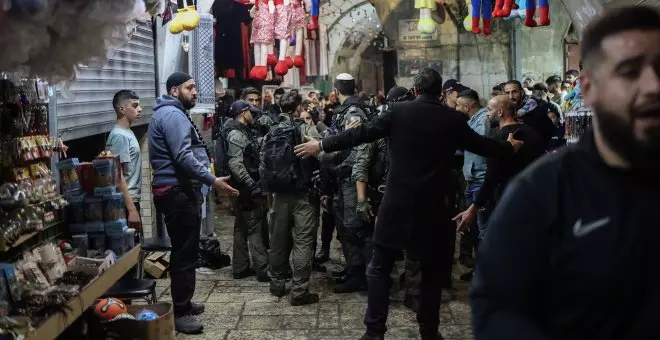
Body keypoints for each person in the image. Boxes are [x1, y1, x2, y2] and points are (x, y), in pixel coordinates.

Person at [471, 6, 660, 339]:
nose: (653, 87)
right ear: (588, 89)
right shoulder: (540, 193)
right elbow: (499, 309)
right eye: (630, 72)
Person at [294, 68, 523, 340]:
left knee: (379, 268)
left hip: (397, 204)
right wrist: (509, 147)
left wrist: (321, 145)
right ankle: (429, 332)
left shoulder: (396, 112)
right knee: (431, 273)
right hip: (435, 206)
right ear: (440, 93)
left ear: (415, 90)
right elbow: (484, 147)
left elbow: (360, 135)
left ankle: (374, 331)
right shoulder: (453, 119)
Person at [149, 72, 238, 334]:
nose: (195, 91)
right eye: (190, 88)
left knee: (186, 250)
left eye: (195, 87)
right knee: (184, 253)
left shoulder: (171, 113)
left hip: (179, 190)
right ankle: (181, 312)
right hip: (177, 192)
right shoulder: (172, 115)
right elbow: (183, 156)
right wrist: (212, 180)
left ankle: (183, 301)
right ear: (174, 91)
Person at [454, 94, 545, 251]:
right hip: (532, 198)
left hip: (506, 200)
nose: (487, 114)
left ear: (500, 112)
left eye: (489, 110)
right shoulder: (532, 132)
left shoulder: (499, 138)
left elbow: (491, 178)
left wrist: (473, 208)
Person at [267, 91, 324, 306]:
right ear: (299, 107)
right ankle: (299, 292)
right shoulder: (305, 129)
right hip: (303, 195)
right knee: (303, 243)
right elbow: (323, 155)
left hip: (279, 195)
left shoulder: (271, 131)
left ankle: (277, 285)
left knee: (278, 241)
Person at [326, 73, 373, 293]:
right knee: (347, 225)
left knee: (355, 226)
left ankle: (364, 275)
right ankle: (354, 268)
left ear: (336, 91)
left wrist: (339, 166)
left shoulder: (353, 112)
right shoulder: (347, 110)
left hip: (352, 179)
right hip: (345, 177)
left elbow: (358, 148)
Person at [225, 100, 270, 282]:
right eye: (251, 112)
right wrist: (252, 185)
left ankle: (240, 267)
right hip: (245, 189)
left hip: (242, 188)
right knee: (255, 228)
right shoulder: (236, 134)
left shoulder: (241, 131)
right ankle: (263, 270)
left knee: (241, 228)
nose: (254, 115)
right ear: (244, 113)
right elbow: (235, 164)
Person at [454, 89, 490, 282]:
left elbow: (479, 145)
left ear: (467, 106)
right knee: (474, 230)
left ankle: (486, 274)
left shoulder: (483, 120)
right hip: (472, 180)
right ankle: (479, 270)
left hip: (481, 180)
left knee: (483, 231)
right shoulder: (471, 121)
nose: (456, 108)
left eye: (459, 105)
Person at [107, 90, 142, 232]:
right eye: (134, 106)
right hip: (125, 203)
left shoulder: (127, 131)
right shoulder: (119, 136)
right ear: (122, 109)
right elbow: (117, 174)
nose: (139, 109)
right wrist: (132, 210)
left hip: (130, 201)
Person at [503, 80, 556, 150]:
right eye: (507, 93)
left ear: (521, 92)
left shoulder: (537, 108)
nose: (510, 96)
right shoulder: (506, 109)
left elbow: (548, 133)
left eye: (514, 92)